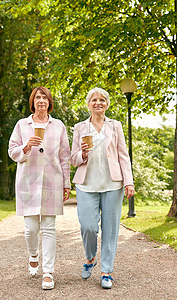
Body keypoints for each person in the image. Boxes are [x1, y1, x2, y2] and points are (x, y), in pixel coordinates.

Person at [70, 87, 135, 289]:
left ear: (107, 104)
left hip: (112, 184)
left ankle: (106, 271)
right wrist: (82, 153)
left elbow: (123, 155)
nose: (98, 103)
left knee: (110, 229)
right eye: (94, 100)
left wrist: (128, 181)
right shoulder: (80, 127)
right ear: (88, 104)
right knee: (88, 226)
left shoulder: (115, 126)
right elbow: (73, 159)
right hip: (86, 184)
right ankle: (90, 258)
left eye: (102, 100)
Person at [8, 86, 71, 290]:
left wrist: (66, 183)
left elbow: (65, 157)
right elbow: (12, 151)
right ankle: (33, 254)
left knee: (49, 229)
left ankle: (48, 273)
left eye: (45, 97)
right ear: (33, 102)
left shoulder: (59, 125)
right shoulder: (21, 125)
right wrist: (26, 147)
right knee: (30, 229)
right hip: (28, 181)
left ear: (49, 102)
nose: (41, 100)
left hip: (53, 181)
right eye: (38, 97)